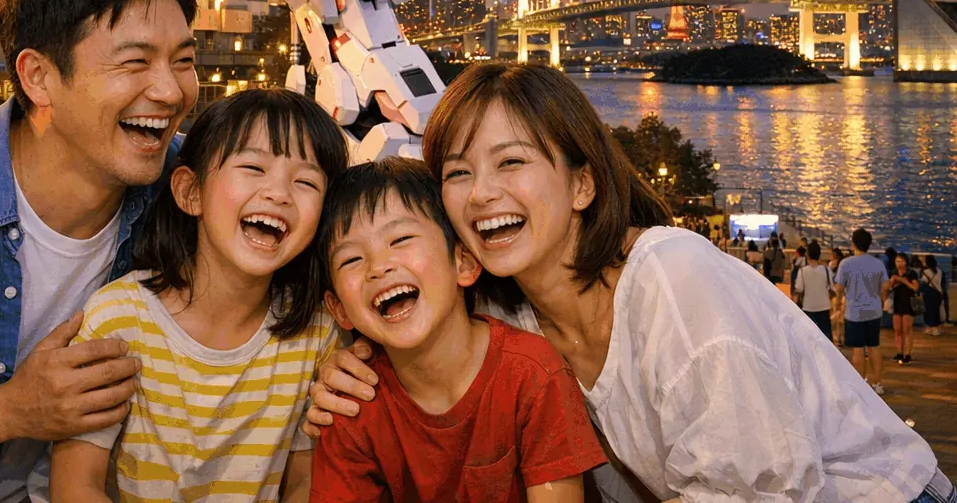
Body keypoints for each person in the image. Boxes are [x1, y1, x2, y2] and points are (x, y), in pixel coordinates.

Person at [309, 64, 950, 503]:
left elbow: (753, 492)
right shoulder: (514, 318)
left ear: (582, 184)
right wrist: (353, 366)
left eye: (512, 162)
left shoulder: (673, 278)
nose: (483, 193)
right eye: (457, 172)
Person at [0, 0, 199, 503]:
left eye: (184, 61)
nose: (171, 90)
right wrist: (10, 410)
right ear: (39, 77)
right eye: (136, 62)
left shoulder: (196, 192)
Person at [50, 88, 347, 502]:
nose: (279, 193)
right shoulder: (119, 319)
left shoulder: (315, 334)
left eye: (305, 181)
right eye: (253, 167)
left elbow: (302, 484)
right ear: (190, 192)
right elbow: (74, 486)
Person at [310, 157, 605, 503]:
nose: (378, 267)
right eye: (351, 260)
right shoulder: (351, 402)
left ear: (463, 262)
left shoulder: (533, 375)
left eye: (401, 239)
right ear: (339, 309)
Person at [835, 228, 889, 394]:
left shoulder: (846, 263)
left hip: (855, 313)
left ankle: (861, 385)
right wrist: (881, 298)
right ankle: (878, 383)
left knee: (858, 349)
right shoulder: (878, 263)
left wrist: (838, 303)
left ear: (853, 243)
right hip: (874, 311)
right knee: (874, 347)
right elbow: (885, 286)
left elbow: (839, 287)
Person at [793, 239, 834, 339]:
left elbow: (799, 288)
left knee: (809, 338)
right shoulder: (826, 269)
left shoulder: (803, 271)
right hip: (824, 306)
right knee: (826, 338)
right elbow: (831, 287)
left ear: (807, 255)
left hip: (808, 307)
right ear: (819, 255)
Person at [888, 253, 920, 365]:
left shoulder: (911, 273)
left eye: (901, 261)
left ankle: (908, 354)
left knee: (907, 329)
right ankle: (899, 352)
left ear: (906, 262)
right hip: (897, 302)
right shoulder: (893, 272)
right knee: (897, 329)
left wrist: (904, 281)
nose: (899, 263)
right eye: (897, 261)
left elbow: (915, 288)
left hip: (908, 303)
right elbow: (889, 287)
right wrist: (893, 282)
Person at [920, 255, 944, 336]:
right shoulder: (939, 271)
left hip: (929, 293)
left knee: (929, 310)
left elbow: (924, 282)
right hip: (938, 293)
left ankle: (931, 327)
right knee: (936, 310)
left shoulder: (926, 272)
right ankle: (935, 328)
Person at [830, 247, 847, 345]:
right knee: (840, 318)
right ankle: (839, 337)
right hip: (839, 293)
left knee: (838, 316)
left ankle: (839, 337)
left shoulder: (836, 266)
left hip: (838, 293)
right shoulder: (833, 264)